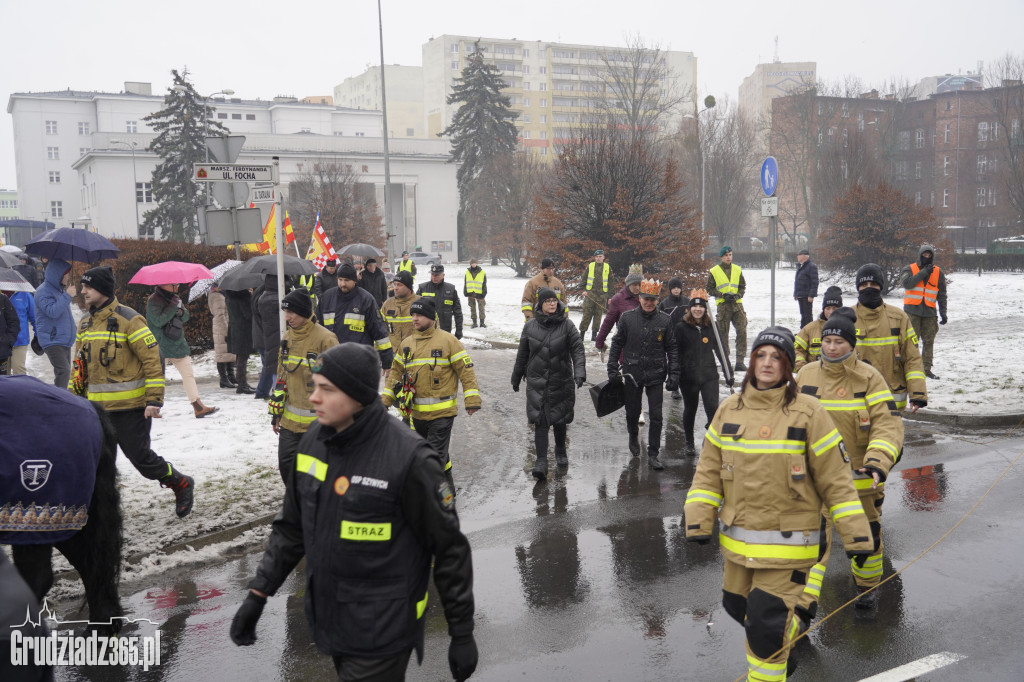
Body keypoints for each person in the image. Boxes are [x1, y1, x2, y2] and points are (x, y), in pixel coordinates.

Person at [230, 343, 478, 682]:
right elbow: (292, 527)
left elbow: (450, 550)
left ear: (358, 395)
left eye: (326, 389)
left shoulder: (411, 459)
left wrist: (461, 631)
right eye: (315, 386)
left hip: (384, 629)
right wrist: (258, 593)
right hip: (330, 620)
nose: (314, 397)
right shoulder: (313, 441)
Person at [684, 326, 874, 682]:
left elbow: (836, 480)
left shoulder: (809, 412)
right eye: (761, 355)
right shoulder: (729, 410)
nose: (768, 363)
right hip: (738, 545)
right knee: (737, 607)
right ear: (752, 361)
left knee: (765, 628)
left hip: (790, 544)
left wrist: (858, 538)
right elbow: (708, 471)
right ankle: (785, 644)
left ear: (789, 366)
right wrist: (697, 519)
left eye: (778, 357)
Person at [795, 307, 904, 616]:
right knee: (809, 547)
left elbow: (887, 425)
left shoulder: (870, 378)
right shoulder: (805, 375)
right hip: (811, 480)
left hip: (858, 481)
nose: (831, 347)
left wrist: (877, 462)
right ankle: (803, 609)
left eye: (839, 342)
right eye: (827, 340)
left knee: (864, 544)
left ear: (851, 344)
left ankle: (868, 590)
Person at [72, 266, 195, 518]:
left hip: (131, 409)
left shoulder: (130, 319)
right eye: (82, 286)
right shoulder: (85, 323)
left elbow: (152, 360)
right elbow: (79, 367)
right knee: (100, 467)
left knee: (143, 462)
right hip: (96, 411)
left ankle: (181, 483)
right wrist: (73, 401)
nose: (82, 290)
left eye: (88, 286)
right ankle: (104, 515)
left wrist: (153, 400)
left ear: (103, 290)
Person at [382, 298, 480, 495]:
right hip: (415, 415)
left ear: (431, 317)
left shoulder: (449, 341)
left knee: (432, 459)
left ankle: (435, 502)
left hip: (442, 414)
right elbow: (395, 373)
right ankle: (447, 493)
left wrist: (472, 400)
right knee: (434, 456)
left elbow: (466, 371)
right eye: (413, 315)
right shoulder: (407, 344)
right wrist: (386, 400)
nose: (415, 319)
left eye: (419, 315)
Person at [511, 287, 586, 480]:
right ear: (540, 304)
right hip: (538, 381)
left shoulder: (568, 326)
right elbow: (522, 354)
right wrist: (516, 375)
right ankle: (541, 461)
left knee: (559, 420)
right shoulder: (530, 327)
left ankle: (560, 449)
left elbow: (577, 349)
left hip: (561, 380)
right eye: (548, 301)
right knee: (541, 421)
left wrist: (579, 371)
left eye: (555, 300)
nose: (552, 303)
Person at [607, 279, 679, 470]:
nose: (649, 303)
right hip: (632, 372)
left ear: (657, 300)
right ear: (639, 298)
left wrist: (674, 372)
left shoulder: (665, 320)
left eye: (653, 300)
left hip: (656, 373)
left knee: (656, 416)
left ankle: (654, 452)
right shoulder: (627, 318)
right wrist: (612, 367)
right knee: (632, 411)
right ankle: (633, 435)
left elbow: (671, 347)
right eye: (646, 299)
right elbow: (616, 343)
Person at [268, 287, 338, 484]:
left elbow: (339, 383)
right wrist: (277, 413)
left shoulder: (326, 339)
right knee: (287, 466)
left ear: (305, 312)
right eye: (285, 312)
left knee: (314, 473)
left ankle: (313, 505)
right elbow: (282, 377)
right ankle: (299, 503)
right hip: (290, 424)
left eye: (292, 312)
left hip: (318, 425)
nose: (287, 317)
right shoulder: (287, 338)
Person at [853, 263, 927, 412]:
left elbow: (912, 358)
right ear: (858, 287)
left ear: (880, 286)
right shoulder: (846, 318)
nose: (869, 287)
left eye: (873, 284)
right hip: (855, 403)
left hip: (891, 404)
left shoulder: (899, 318)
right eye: (864, 284)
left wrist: (918, 393)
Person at [674, 289, 732, 456]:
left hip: (709, 375)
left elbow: (721, 351)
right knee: (690, 409)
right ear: (690, 309)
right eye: (694, 306)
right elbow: (675, 353)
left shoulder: (711, 327)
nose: (697, 309)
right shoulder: (681, 328)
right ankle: (689, 443)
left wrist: (729, 373)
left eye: (701, 307)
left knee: (713, 408)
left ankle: (712, 439)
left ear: (705, 309)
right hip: (688, 376)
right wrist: (675, 374)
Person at [146, 284, 218, 418]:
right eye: (174, 284)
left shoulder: (175, 298)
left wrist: (181, 312)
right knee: (157, 378)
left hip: (177, 343)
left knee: (188, 374)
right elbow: (158, 321)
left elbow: (186, 317)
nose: (177, 286)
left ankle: (197, 406)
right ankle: (153, 408)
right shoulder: (153, 300)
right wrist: (173, 307)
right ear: (164, 284)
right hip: (161, 345)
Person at [318, 262, 393, 372]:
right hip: (332, 361)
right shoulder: (327, 298)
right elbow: (317, 329)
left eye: (347, 280)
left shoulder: (366, 300)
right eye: (340, 280)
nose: (343, 284)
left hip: (359, 362)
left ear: (355, 281)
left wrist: (387, 360)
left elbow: (379, 331)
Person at [900, 244, 947, 380]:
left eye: (929, 255)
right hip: (912, 312)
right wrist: (924, 272)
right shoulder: (909, 269)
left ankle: (926, 369)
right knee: (911, 342)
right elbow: (907, 283)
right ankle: (910, 367)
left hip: (930, 312)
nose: (927, 257)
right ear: (920, 255)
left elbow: (942, 294)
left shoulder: (938, 272)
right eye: (924, 255)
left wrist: (943, 312)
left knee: (929, 341)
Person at [34, 257, 76, 389]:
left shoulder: (60, 290)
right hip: (52, 339)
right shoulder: (43, 291)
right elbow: (52, 311)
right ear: (57, 274)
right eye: (66, 274)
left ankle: (62, 399)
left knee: (66, 373)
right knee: (63, 371)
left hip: (63, 339)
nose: (68, 277)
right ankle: (59, 402)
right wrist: (68, 296)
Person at [706, 245, 748, 372]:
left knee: (742, 331)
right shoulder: (714, 271)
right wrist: (722, 295)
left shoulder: (737, 269)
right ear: (721, 257)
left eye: (730, 255)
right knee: (723, 334)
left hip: (737, 305)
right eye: (726, 255)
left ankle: (740, 361)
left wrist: (738, 295)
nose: (728, 257)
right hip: (724, 306)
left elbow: (742, 286)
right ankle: (726, 361)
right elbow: (709, 288)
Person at [252, 276, 286, 400]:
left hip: (261, 334)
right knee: (271, 365)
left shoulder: (260, 293)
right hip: (265, 335)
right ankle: (267, 391)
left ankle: (262, 391)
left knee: (268, 364)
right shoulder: (267, 297)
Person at [794, 286, 842, 371]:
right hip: (814, 377)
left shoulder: (849, 328)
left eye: (835, 308)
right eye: (828, 308)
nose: (831, 312)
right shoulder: (809, 329)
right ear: (823, 309)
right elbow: (797, 349)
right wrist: (802, 368)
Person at [594, 269, 642, 352]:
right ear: (628, 284)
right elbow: (608, 321)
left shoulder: (646, 298)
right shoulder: (618, 299)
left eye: (639, 285)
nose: (637, 287)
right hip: (625, 343)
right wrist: (600, 340)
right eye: (634, 284)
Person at [658, 277, 689, 398]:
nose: (676, 290)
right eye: (674, 288)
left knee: (685, 362)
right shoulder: (664, 304)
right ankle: (674, 386)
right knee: (674, 362)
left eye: (678, 288)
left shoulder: (687, 301)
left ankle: (685, 384)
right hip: (671, 338)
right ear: (670, 289)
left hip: (686, 337)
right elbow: (659, 319)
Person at [417, 264, 463, 338]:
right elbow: (416, 310)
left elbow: (457, 311)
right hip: (426, 328)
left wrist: (459, 329)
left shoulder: (451, 289)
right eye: (432, 274)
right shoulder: (423, 288)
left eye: (437, 275)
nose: (434, 277)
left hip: (445, 328)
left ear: (443, 275)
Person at [225, 288, 257, 394]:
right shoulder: (243, 295)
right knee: (243, 357)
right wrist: (251, 299)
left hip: (234, 328)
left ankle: (242, 383)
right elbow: (248, 314)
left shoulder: (230, 295)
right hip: (244, 329)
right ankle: (242, 384)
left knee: (240, 356)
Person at [208, 284, 237, 389]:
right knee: (221, 354)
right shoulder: (217, 296)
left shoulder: (219, 295)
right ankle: (224, 379)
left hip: (223, 326)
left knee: (228, 352)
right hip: (221, 327)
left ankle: (230, 377)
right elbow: (220, 315)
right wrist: (226, 331)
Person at [579, 249, 611, 342]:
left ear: (603, 257)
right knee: (586, 316)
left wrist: (610, 296)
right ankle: (581, 335)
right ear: (594, 258)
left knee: (598, 317)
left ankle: (594, 336)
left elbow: (611, 283)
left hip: (602, 296)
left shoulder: (607, 267)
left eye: (600, 256)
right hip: (590, 295)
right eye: (596, 256)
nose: (598, 258)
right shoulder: (590, 266)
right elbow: (583, 279)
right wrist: (584, 290)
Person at [1, 289, 33, 375]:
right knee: (3, 373)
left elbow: (34, 316)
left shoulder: (25, 295)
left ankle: (22, 388)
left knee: (18, 369)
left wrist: (38, 335)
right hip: (2, 342)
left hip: (20, 340)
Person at [793, 248, 819, 328]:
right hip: (800, 295)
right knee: (803, 314)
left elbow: (814, 282)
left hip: (807, 296)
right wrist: (796, 294)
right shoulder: (800, 266)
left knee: (807, 315)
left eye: (799, 255)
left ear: (804, 256)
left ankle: (809, 331)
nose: (797, 256)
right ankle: (803, 331)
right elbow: (797, 281)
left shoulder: (811, 266)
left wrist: (811, 295)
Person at [463, 258, 487, 329]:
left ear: (476, 264)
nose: (473, 264)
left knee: (481, 308)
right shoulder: (467, 272)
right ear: (470, 264)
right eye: (472, 263)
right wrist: (465, 291)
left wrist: (484, 292)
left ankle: (482, 323)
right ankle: (474, 323)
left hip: (480, 293)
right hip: (471, 293)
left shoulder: (482, 272)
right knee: (472, 308)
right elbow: (466, 282)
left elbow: (484, 283)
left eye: (474, 263)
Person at [0, 291, 19, 375]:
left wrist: (7, 341)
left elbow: (14, 322)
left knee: (2, 383)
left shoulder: (3, 299)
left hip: (1, 352)